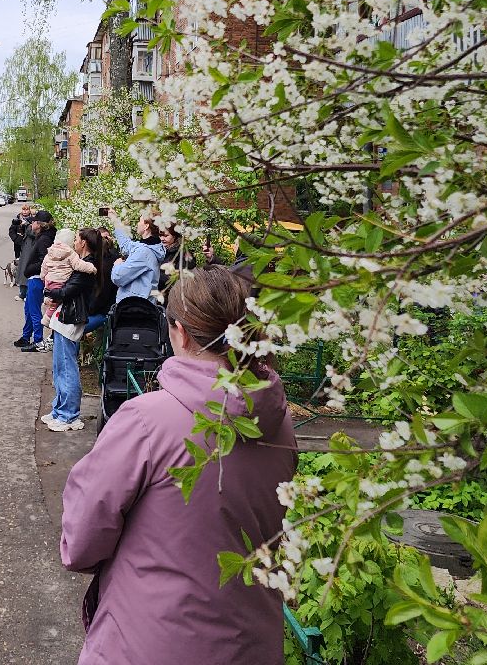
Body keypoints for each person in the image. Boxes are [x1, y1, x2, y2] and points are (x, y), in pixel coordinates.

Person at [60, 266, 299, 664]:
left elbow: (82, 539)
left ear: (180, 332)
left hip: (149, 640)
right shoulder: (279, 420)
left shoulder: (146, 420)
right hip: (251, 638)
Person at [41, 227, 113, 431]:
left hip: (70, 320)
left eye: (76, 239)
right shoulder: (84, 264)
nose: (73, 242)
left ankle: (69, 415)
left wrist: (49, 290)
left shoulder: (86, 267)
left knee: (67, 369)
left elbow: (67, 291)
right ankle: (59, 409)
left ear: (83, 243)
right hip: (65, 318)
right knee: (60, 368)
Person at [29, 228, 95, 354]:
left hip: (50, 283)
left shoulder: (50, 253)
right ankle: (47, 318)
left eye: (77, 239)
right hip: (61, 283)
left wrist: (45, 283)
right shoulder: (71, 255)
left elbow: (44, 269)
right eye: (74, 239)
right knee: (54, 304)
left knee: (51, 302)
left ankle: (47, 317)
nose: (75, 242)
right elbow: (78, 266)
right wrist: (91, 268)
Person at [15, 209, 56, 350]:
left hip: (37, 278)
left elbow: (44, 260)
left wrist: (30, 268)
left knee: (33, 310)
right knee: (29, 308)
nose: (31, 225)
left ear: (38, 224)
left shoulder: (44, 239)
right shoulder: (44, 237)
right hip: (35, 277)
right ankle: (26, 336)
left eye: (33, 222)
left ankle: (37, 340)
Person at [107, 209, 165, 302]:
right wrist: (115, 220)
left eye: (140, 221)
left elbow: (118, 277)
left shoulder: (144, 252)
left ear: (146, 226)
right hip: (141, 306)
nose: (137, 224)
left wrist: (117, 265)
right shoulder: (151, 247)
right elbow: (126, 245)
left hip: (134, 309)